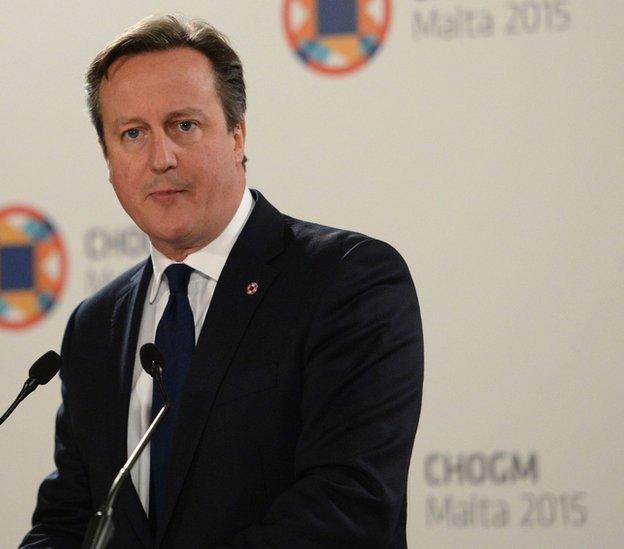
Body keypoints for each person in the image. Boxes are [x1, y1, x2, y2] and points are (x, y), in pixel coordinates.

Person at [21, 15, 423, 549]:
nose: (160, 159)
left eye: (184, 125)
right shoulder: (97, 324)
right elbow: (69, 520)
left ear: (237, 135)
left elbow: (347, 508)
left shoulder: (347, 280)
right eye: (132, 134)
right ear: (108, 159)